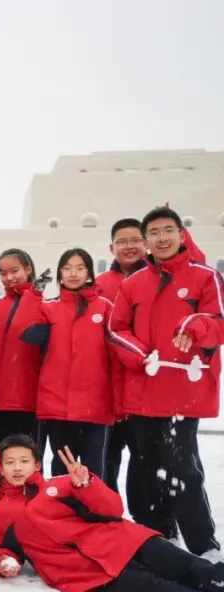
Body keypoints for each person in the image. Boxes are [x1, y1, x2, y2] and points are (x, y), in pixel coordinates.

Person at [0, 437, 224, 592]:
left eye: (24, 461)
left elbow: (113, 509)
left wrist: (86, 485)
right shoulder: (1, 513)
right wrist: (6, 561)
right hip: (89, 573)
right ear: (1, 469)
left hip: (123, 541)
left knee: (187, 566)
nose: (17, 468)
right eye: (10, 462)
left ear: (36, 465)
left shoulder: (62, 484)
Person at [108, 206, 222, 555]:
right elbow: (116, 329)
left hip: (183, 391)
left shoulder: (205, 277)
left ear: (181, 235)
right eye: (154, 233)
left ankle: (203, 545)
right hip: (144, 389)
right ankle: (159, 536)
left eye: (168, 231)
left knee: (182, 469)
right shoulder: (132, 283)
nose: (162, 238)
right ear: (146, 241)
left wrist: (194, 325)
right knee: (147, 467)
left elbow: (218, 322)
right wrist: (140, 354)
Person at [23, 248, 113, 478]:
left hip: (95, 403)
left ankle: (93, 502)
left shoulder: (105, 307)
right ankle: (61, 502)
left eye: (80, 268)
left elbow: (116, 351)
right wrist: (33, 295)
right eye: (67, 268)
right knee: (61, 468)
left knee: (94, 469)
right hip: (57, 404)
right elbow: (26, 332)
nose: (73, 273)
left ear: (89, 274)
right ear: (60, 274)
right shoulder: (48, 308)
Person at [96, 218, 148, 492]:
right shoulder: (100, 285)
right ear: (112, 247)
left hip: (146, 386)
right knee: (105, 459)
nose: (129, 246)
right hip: (106, 389)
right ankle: (107, 511)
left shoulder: (158, 279)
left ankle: (148, 514)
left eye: (135, 240)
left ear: (146, 243)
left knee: (147, 461)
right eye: (122, 241)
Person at [0, 248, 46, 445]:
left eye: (14, 271)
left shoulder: (44, 306)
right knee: (1, 452)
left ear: (28, 269)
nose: (8, 278)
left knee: (29, 454)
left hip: (29, 398)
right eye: (3, 273)